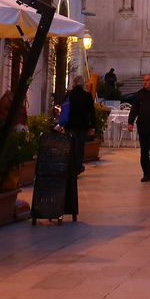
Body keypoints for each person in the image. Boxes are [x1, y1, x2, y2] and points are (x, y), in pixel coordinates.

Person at [56, 82, 95, 219]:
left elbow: (63, 108)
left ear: (73, 84)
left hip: (71, 124)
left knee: (70, 147)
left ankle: (71, 166)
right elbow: (92, 111)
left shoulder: (70, 94)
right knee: (80, 147)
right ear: (83, 85)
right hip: (82, 126)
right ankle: (78, 167)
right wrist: (92, 126)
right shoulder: (87, 96)